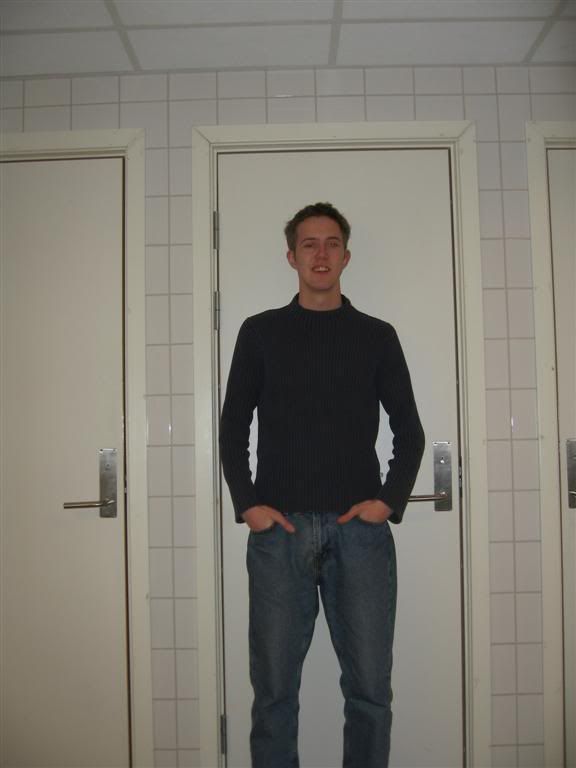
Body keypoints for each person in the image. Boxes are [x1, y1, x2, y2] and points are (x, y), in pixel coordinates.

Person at [219, 202, 425, 768]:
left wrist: (387, 502)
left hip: (359, 535)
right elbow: (232, 428)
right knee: (274, 695)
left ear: (346, 256)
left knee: (370, 692)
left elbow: (410, 432)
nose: (321, 254)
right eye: (308, 244)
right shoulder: (260, 333)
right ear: (291, 257)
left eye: (332, 243)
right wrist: (249, 505)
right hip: (278, 534)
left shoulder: (376, 336)